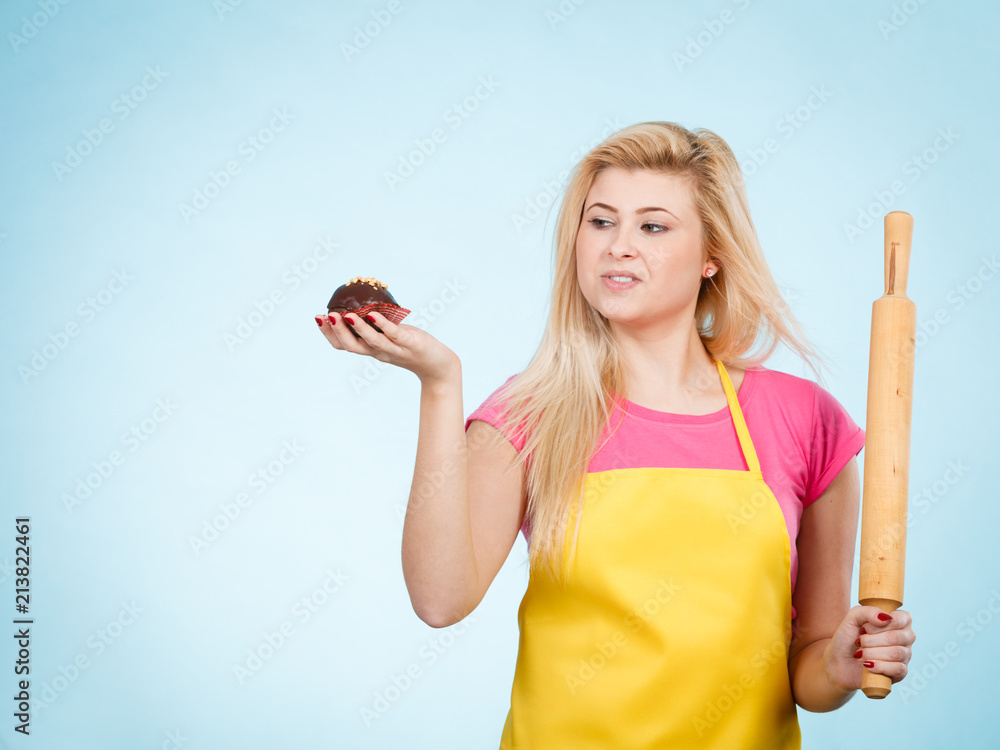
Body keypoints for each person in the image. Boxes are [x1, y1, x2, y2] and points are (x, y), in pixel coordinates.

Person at [316, 121, 916, 748]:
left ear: (713, 254)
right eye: (600, 222)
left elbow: (809, 669)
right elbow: (441, 599)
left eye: (653, 226)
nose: (617, 246)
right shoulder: (534, 410)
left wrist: (841, 665)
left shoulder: (805, 421)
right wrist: (440, 384)